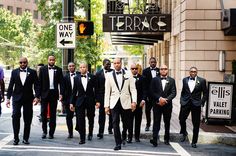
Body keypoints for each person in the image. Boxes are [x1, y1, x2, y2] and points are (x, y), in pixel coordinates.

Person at [104, 58, 137, 150]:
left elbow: (133, 89)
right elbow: (107, 92)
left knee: (125, 122)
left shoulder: (129, 74)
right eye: (115, 63)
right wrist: (106, 106)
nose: (116, 65)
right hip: (114, 102)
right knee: (115, 122)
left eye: (118, 63)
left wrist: (134, 101)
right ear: (113, 64)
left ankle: (123, 135)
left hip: (126, 101)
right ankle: (118, 143)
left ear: (121, 63)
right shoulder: (109, 75)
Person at [6, 57, 39, 145]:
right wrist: (8, 98)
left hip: (28, 99)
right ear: (19, 63)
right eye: (21, 62)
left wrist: (36, 97)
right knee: (15, 116)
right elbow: (10, 86)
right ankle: (16, 138)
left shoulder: (32, 72)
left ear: (27, 63)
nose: (22, 64)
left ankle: (25, 138)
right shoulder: (14, 72)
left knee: (27, 119)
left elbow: (36, 85)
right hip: (16, 98)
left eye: (24, 62)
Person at [70, 63, 99, 144]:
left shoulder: (93, 77)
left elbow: (96, 90)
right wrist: (71, 103)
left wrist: (97, 101)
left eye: (84, 67)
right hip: (80, 101)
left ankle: (90, 133)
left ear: (87, 68)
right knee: (80, 120)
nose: (82, 68)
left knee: (91, 118)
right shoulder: (76, 78)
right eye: (81, 67)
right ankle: (82, 138)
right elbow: (74, 91)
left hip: (90, 100)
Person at [179, 66, 207, 148]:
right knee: (181, 119)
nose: (193, 73)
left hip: (196, 104)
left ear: (197, 72)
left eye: (195, 71)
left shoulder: (202, 81)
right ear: (189, 72)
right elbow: (183, 91)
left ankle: (194, 142)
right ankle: (184, 132)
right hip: (185, 103)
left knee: (196, 123)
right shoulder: (185, 80)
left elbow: (205, 93)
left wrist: (201, 102)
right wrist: (181, 100)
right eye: (191, 71)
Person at [150, 65, 176, 147]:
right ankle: (154, 139)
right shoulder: (154, 79)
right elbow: (151, 92)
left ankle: (167, 139)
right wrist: (159, 99)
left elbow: (173, 93)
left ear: (167, 70)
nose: (163, 70)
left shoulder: (172, 80)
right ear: (159, 70)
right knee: (156, 122)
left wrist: (165, 100)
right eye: (162, 69)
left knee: (167, 122)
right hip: (157, 104)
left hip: (167, 105)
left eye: (165, 69)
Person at [38, 54, 64, 139]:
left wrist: (61, 94)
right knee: (43, 113)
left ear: (55, 60)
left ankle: (51, 133)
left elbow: (62, 83)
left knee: (53, 114)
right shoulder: (42, 69)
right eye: (50, 60)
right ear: (47, 60)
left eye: (53, 60)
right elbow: (39, 83)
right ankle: (44, 131)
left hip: (54, 94)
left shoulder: (59, 70)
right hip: (44, 94)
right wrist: (38, 96)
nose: (52, 61)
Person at [122, 63, 146, 143]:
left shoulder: (142, 78)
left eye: (136, 68)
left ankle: (137, 137)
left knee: (138, 121)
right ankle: (129, 137)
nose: (134, 70)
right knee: (129, 121)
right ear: (130, 69)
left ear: (138, 69)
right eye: (132, 69)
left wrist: (143, 100)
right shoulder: (126, 78)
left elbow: (144, 91)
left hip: (139, 103)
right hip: (129, 103)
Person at [96, 59, 113, 139]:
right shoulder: (98, 74)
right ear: (103, 64)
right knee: (102, 115)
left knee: (112, 114)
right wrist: (97, 100)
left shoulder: (113, 72)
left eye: (109, 64)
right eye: (107, 64)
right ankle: (101, 131)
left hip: (112, 96)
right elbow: (96, 88)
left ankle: (110, 128)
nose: (109, 65)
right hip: (102, 97)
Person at [62, 62, 79, 138]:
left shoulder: (79, 74)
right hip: (68, 99)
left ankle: (78, 127)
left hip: (78, 98)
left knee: (79, 116)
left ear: (75, 67)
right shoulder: (65, 77)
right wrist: (62, 98)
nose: (71, 67)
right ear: (68, 68)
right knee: (69, 116)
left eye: (72, 66)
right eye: (70, 66)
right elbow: (62, 89)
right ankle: (70, 132)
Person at [142, 57, 160, 131]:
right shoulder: (145, 71)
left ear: (156, 62)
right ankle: (148, 124)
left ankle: (155, 125)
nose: (153, 63)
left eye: (154, 62)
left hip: (157, 95)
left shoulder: (159, 70)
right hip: (148, 95)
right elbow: (144, 84)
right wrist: (145, 96)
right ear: (149, 63)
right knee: (147, 111)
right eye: (151, 62)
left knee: (156, 111)